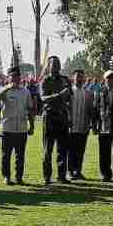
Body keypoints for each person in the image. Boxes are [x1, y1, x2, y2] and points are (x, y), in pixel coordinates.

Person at [0, 66, 36, 185]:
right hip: (7, 128)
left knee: (20, 156)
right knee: (6, 155)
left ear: (20, 78)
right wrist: (7, 88)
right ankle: (6, 176)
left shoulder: (25, 91)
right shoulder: (4, 90)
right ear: (8, 78)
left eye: (17, 77)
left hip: (21, 128)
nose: (15, 79)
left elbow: (30, 109)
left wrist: (31, 126)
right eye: (12, 77)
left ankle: (19, 177)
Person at [39, 56, 71, 185]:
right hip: (50, 117)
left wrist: (70, 115)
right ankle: (47, 177)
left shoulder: (65, 80)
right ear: (49, 66)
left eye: (58, 64)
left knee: (62, 149)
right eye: (54, 65)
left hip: (62, 116)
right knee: (48, 149)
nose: (56, 67)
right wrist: (59, 96)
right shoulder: (45, 81)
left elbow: (69, 97)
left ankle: (61, 176)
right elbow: (43, 98)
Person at [67, 69, 94, 180]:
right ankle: (70, 171)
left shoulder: (88, 93)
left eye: (81, 77)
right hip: (71, 127)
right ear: (73, 78)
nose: (79, 79)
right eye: (77, 76)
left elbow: (90, 110)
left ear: (84, 79)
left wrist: (91, 124)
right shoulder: (69, 92)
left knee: (81, 150)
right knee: (71, 150)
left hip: (83, 127)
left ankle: (78, 171)